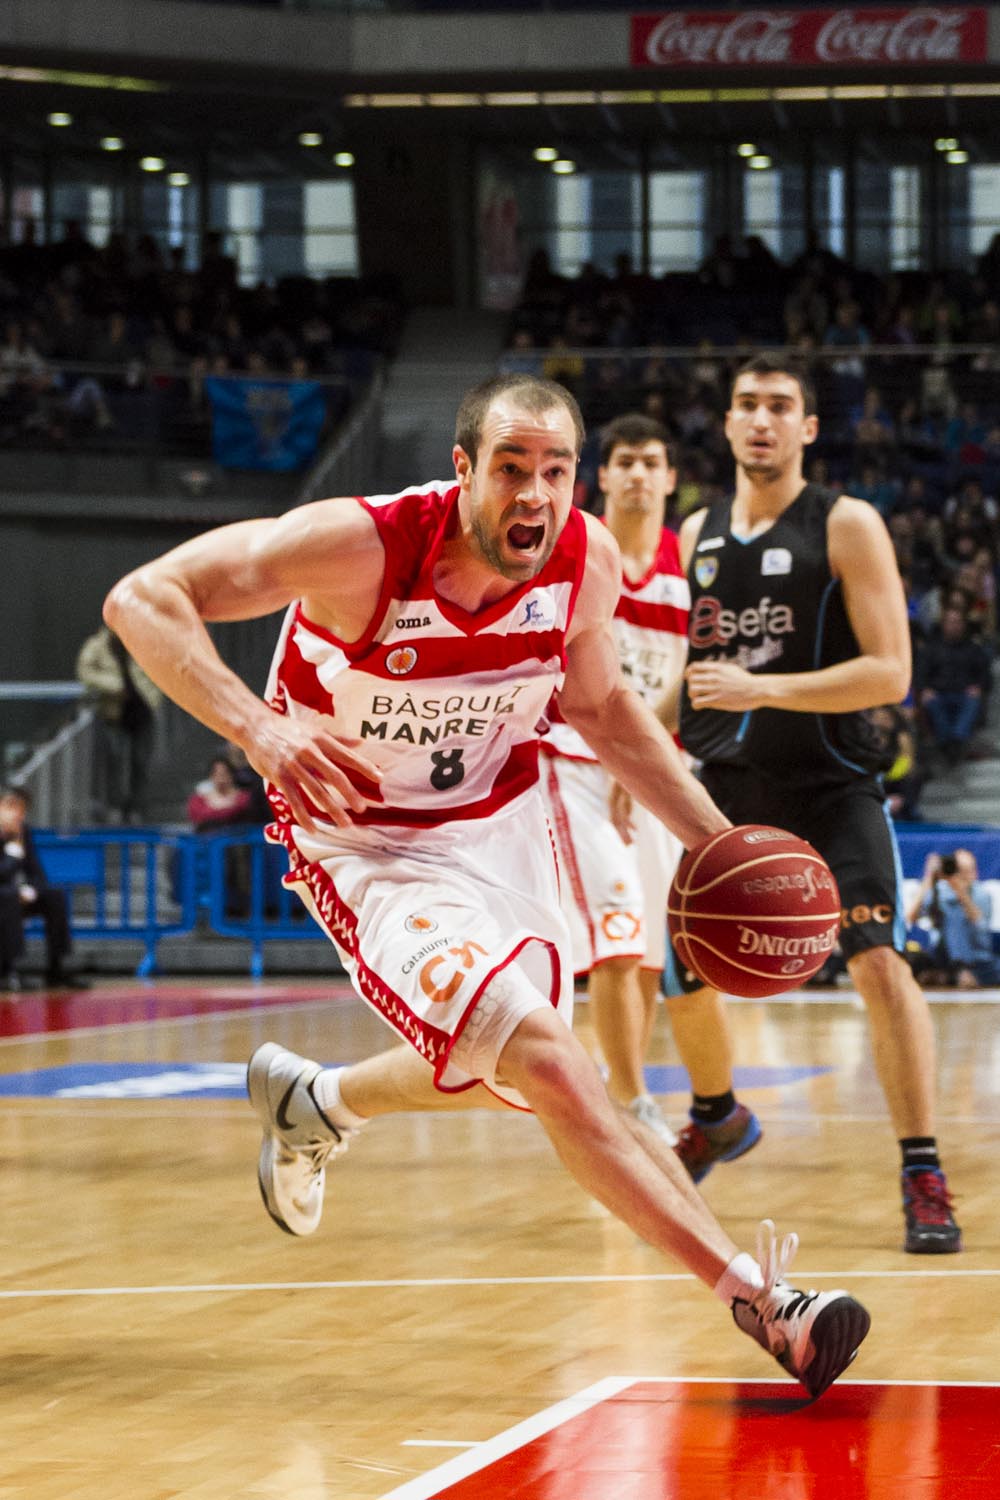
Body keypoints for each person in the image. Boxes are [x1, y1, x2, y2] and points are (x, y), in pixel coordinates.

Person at [103, 371, 869, 1399]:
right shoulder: (362, 546)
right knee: (549, 1061)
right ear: (463, 469)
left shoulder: (583, 557)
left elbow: (598, 707)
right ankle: (762, 1303)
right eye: (511, 469)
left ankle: (318, 1103)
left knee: (511, 1070)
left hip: (498, 833)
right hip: (363, 843)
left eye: (556, 471)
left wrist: (718, 843)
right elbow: (142, 597)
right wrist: (259, 727)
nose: (537, 494)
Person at [677, 352, 961, 1255]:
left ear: (808, 428)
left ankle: (922, 1169)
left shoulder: (846, 524)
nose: (761, 420)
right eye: (746, 405)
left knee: (879, 964)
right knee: (682, 968)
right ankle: (717, 1113)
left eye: (780, 406)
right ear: (726, 425)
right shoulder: (694, 536)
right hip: (728, 790)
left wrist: (766, 690)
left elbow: (893, 672)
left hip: (834, 782)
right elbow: (691, 680)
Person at [540, 412, 760, 1169]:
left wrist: (644, 756)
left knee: (653, 951)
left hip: (657, 768)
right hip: (573, 760)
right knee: (616, 934)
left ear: (671, 478)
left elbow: (696, 680)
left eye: (651, 461)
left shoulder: (687, 563)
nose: (637, 473)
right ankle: (627, 1109)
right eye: (624, 460)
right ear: (604, 476)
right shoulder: (577, 549)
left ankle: (661, 1103)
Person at [0, 785, 88, 991]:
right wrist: (13, 851)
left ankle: (56, 968)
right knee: (9, 896)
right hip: (6, 897)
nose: (17, 814)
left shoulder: (24, 832)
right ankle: (9, 970)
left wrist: (32, 890)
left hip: (12, 896)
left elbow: (36, 871)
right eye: (11, 806)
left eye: (21, 809)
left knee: (53, 895)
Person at [75, 622, 163, 823]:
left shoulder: (142, 642)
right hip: (114, 714)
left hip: (142, 712)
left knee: (140, 762)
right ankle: (115, 807)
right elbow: (86, 673)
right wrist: (115, 686)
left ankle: (136, 808)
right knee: (115, 763)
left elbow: (159, 668)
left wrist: (154, 696)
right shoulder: (97, 645)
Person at [906, 850, 1000, 990]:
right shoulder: (939, 893)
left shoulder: (981, 894)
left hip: (979, 960)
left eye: (968, 870)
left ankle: (955, 973)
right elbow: (910, 918)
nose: (964, 875)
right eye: (960, 870)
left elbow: (979, 925)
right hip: (943, 957)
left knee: (954, 913)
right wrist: (928, 879)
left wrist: (960, 893)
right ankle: (954, 972)